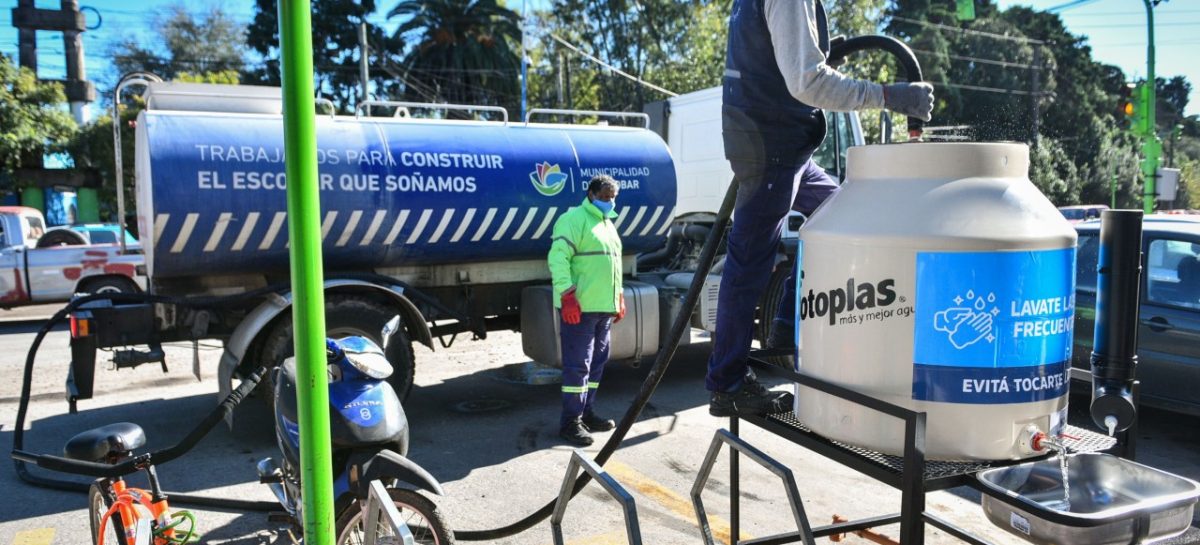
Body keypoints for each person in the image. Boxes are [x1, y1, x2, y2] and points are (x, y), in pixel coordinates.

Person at [708, 0, 935, 417]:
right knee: (749, 263)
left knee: (844, 216)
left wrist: (821, 48)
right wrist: (888, 96)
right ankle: (728, 384)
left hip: (785, 146)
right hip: (771, 145)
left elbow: (783, 61)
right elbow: (807, 83)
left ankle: (788, 327)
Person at [548, 175, 627, 445]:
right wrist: (567, 295)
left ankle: (586, 412)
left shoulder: (607, 224)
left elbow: (614, 265)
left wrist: (619, 297)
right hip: (580, 309)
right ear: (591, 194)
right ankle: (570, 422)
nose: (610, 201)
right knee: (577, 367)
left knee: (596, 364)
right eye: (605, 196)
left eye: (613, 197)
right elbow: (558, 258)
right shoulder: (573, 219)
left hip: (602, 309)